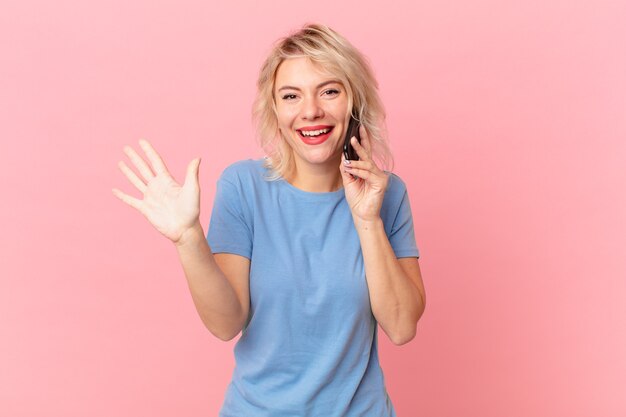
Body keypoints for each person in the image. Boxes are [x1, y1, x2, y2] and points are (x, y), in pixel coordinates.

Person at [113, 23, 426, 417]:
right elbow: (226, 324)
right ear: (275, 111)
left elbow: (401, 327)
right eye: (291, 96)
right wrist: (188, 238)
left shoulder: (388, 193)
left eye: (329, 90)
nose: (310, 110)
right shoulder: (244, 186)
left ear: (354, 102)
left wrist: (367, 219)